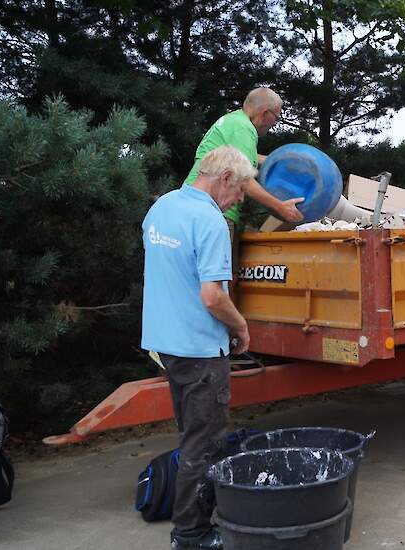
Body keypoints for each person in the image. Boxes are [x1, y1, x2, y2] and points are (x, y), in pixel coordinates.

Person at [143, 146, 255, 550]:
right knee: (202, 445)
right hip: (199, 348)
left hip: (166, 344)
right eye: (241, 189)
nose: (240, 199)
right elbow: (212, 296)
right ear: (225, 178)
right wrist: (240, 325)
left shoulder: (161, 208)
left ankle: (190, 521)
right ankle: (191, 534)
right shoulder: (210, 221)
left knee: (191, 434)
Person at [185, 87, 305, 244]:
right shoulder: (243, 129)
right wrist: (280, 207)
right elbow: (242, 178)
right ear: (264, 113)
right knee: (216, 268)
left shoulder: (233, 121)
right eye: (276, 118)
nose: (274, 124)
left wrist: (273, 161)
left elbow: (238, 157)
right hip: (214, 211)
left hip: (197, 205)